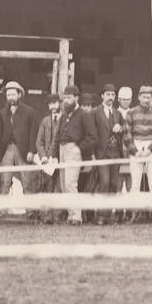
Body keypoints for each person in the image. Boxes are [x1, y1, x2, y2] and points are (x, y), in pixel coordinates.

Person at [54, 85, 96, 225]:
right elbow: (58, 136)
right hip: (62, 150)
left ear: (76, 98)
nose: (66, 101)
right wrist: (54, 154)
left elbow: (92, 137)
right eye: (64, 98)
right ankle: (71, 215)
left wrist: (79, 149)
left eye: (69, 98)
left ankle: (77, 216)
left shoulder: (83, 115)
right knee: (63, 185)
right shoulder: (64, 115)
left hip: (73, 150)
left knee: (70, 184)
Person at [124, 83, 152, 221]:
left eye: (149, 97)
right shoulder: (131, 113)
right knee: (135, 184)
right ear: (139, 97)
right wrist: (135, 151)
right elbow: (127, 134)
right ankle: (135, 214)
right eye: (144, 97)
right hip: (136, 147)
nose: (146, 100)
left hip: (151, 148)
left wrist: (149, 149)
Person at [0, 81, 37, 201]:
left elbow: (33, 132)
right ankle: (1, 208)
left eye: (13, 94)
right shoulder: (3, 113)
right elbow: (0, 134)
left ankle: (31, 209)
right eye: (8, 95)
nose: (11, 98)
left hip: (23, 149)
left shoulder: (29, 112)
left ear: (19, 95)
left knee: (27, 181)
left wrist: (31, 151)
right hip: (7, 149)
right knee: (4, 181)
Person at [89, 83, 123, 216]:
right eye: (108, 94)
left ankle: (108, 215)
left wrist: (120, 129)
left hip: (115, 152)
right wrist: (92, 154)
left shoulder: (118, 113)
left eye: (113, 95)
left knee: (113, 184)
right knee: (104, 182)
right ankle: (101, 215)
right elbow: (90, 135)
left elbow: (123, 131)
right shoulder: (94, 112)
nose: (110, 97)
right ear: (102, 96)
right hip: (101, 153)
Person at [30, 94, 64, 222]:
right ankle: (47, 216)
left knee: (59, 187)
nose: (52, 106)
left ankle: (57, 216)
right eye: (50, 104)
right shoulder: (45, 121)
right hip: (47, 160)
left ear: (60, 103)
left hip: (61, 158)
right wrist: (43, 157)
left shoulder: (65, 120)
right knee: (47, 187)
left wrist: (59, 157)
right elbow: (39, 142)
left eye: (55, 103)